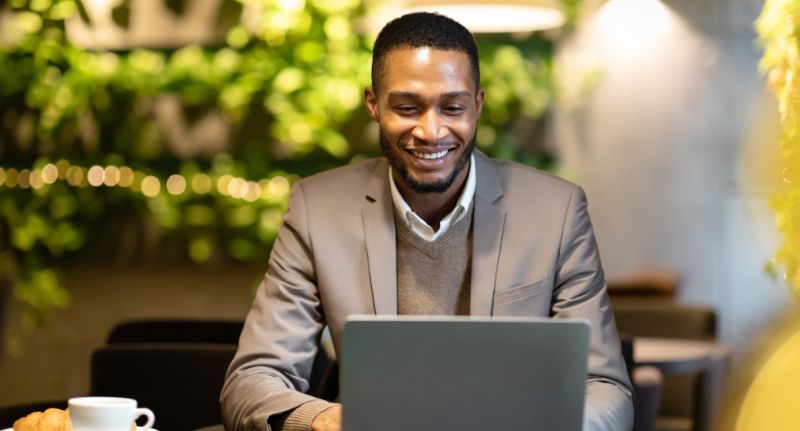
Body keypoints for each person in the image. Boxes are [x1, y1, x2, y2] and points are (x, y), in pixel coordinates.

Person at [221, 11, 634, 431]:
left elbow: (604, 385)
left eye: (452, 107)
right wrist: (322, 419)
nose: (431, 131)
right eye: (406, 107)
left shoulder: (557, 211)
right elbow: (251, 380)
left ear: (478, 105)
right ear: (373, 104)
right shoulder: (316, 209)